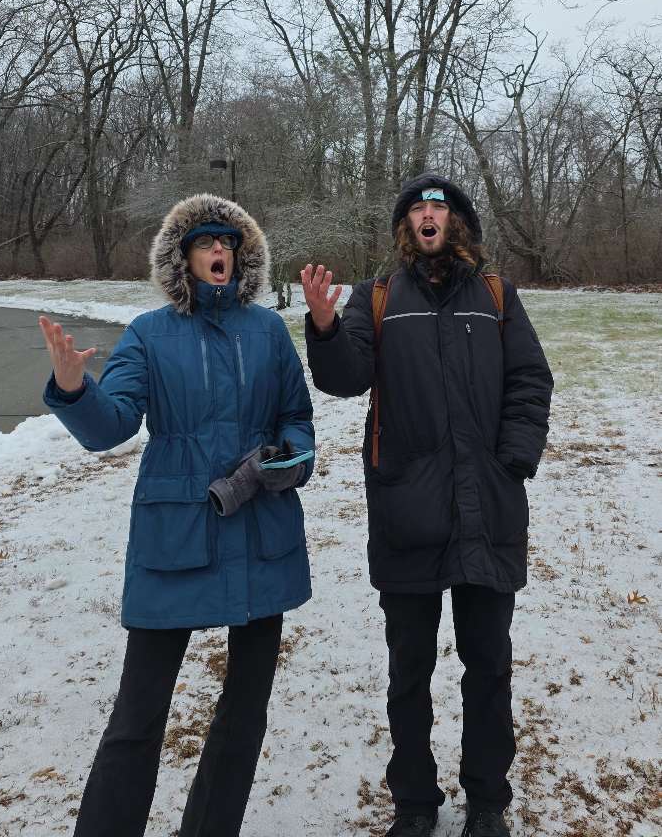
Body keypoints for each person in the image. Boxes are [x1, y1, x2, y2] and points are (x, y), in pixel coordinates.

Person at [40, 192, 315, 837]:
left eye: (228, 243)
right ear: (182, 258)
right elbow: (111, 426)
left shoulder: (268, 330)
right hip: (178, 534)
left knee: (245, 712)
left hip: (259, 529)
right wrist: (74, 388)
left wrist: (292, 458)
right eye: (205, 243)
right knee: (139, 715)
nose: (219, 251)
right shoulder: (149, 333)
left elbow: (295, 417)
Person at [301, 173, 553, 837]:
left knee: (488, 665)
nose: (427, 213)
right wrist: (325, 328)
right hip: (406, 510)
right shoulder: (378, 298)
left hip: (487, 510)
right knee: (408, 668)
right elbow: (347, 379)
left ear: (459, 220)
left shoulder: (496, 295)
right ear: (404, 226)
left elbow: (530, 377)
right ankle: (414, 803)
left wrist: (514, 459)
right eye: (416, 206)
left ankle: (488, 802)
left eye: (438, 205)